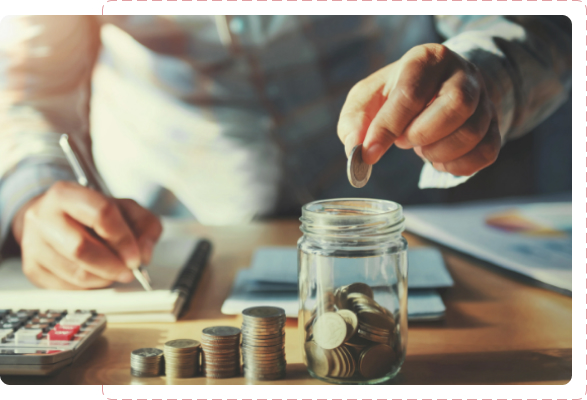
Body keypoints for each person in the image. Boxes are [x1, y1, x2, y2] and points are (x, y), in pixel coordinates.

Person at [0, 16, 571, 289]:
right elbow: (29, 85)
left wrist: (484, 77)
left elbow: (546, 16)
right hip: (173, 237)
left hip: (428, 212)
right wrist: (33, 192)